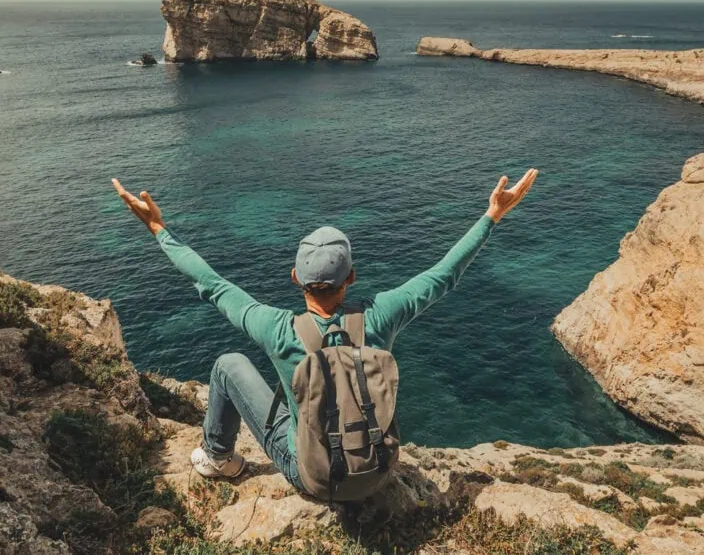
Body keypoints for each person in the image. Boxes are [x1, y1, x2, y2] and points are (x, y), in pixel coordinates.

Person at [111, 169, 538, 493]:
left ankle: (219, 458)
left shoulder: (277, 328)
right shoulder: (381, 314)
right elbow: (443, 275)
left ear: (295, 277)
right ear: (351, 278)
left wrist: (157, 229)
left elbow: (213, 284)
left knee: (228, 364)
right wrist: (492, 215)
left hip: (311, 477)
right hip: (377, 473)